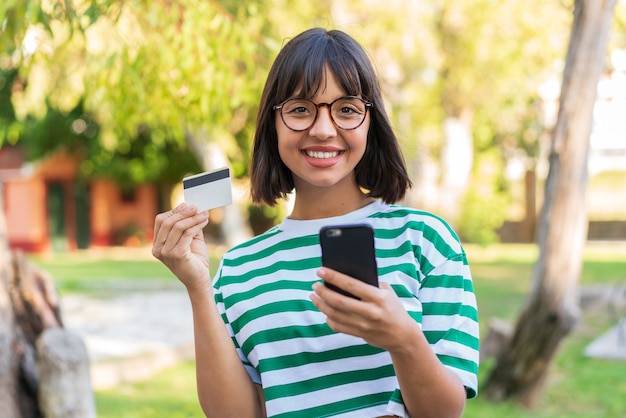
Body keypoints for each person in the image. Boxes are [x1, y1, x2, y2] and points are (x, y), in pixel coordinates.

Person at [152, 27, 479, 418]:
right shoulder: (238, 269)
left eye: (346, 109)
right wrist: (198, 285)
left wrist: (403, 338)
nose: (323, 130)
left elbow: (445, 413)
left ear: (370, 122)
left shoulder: (426, 241)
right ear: (273, 124)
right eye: (300, 109)